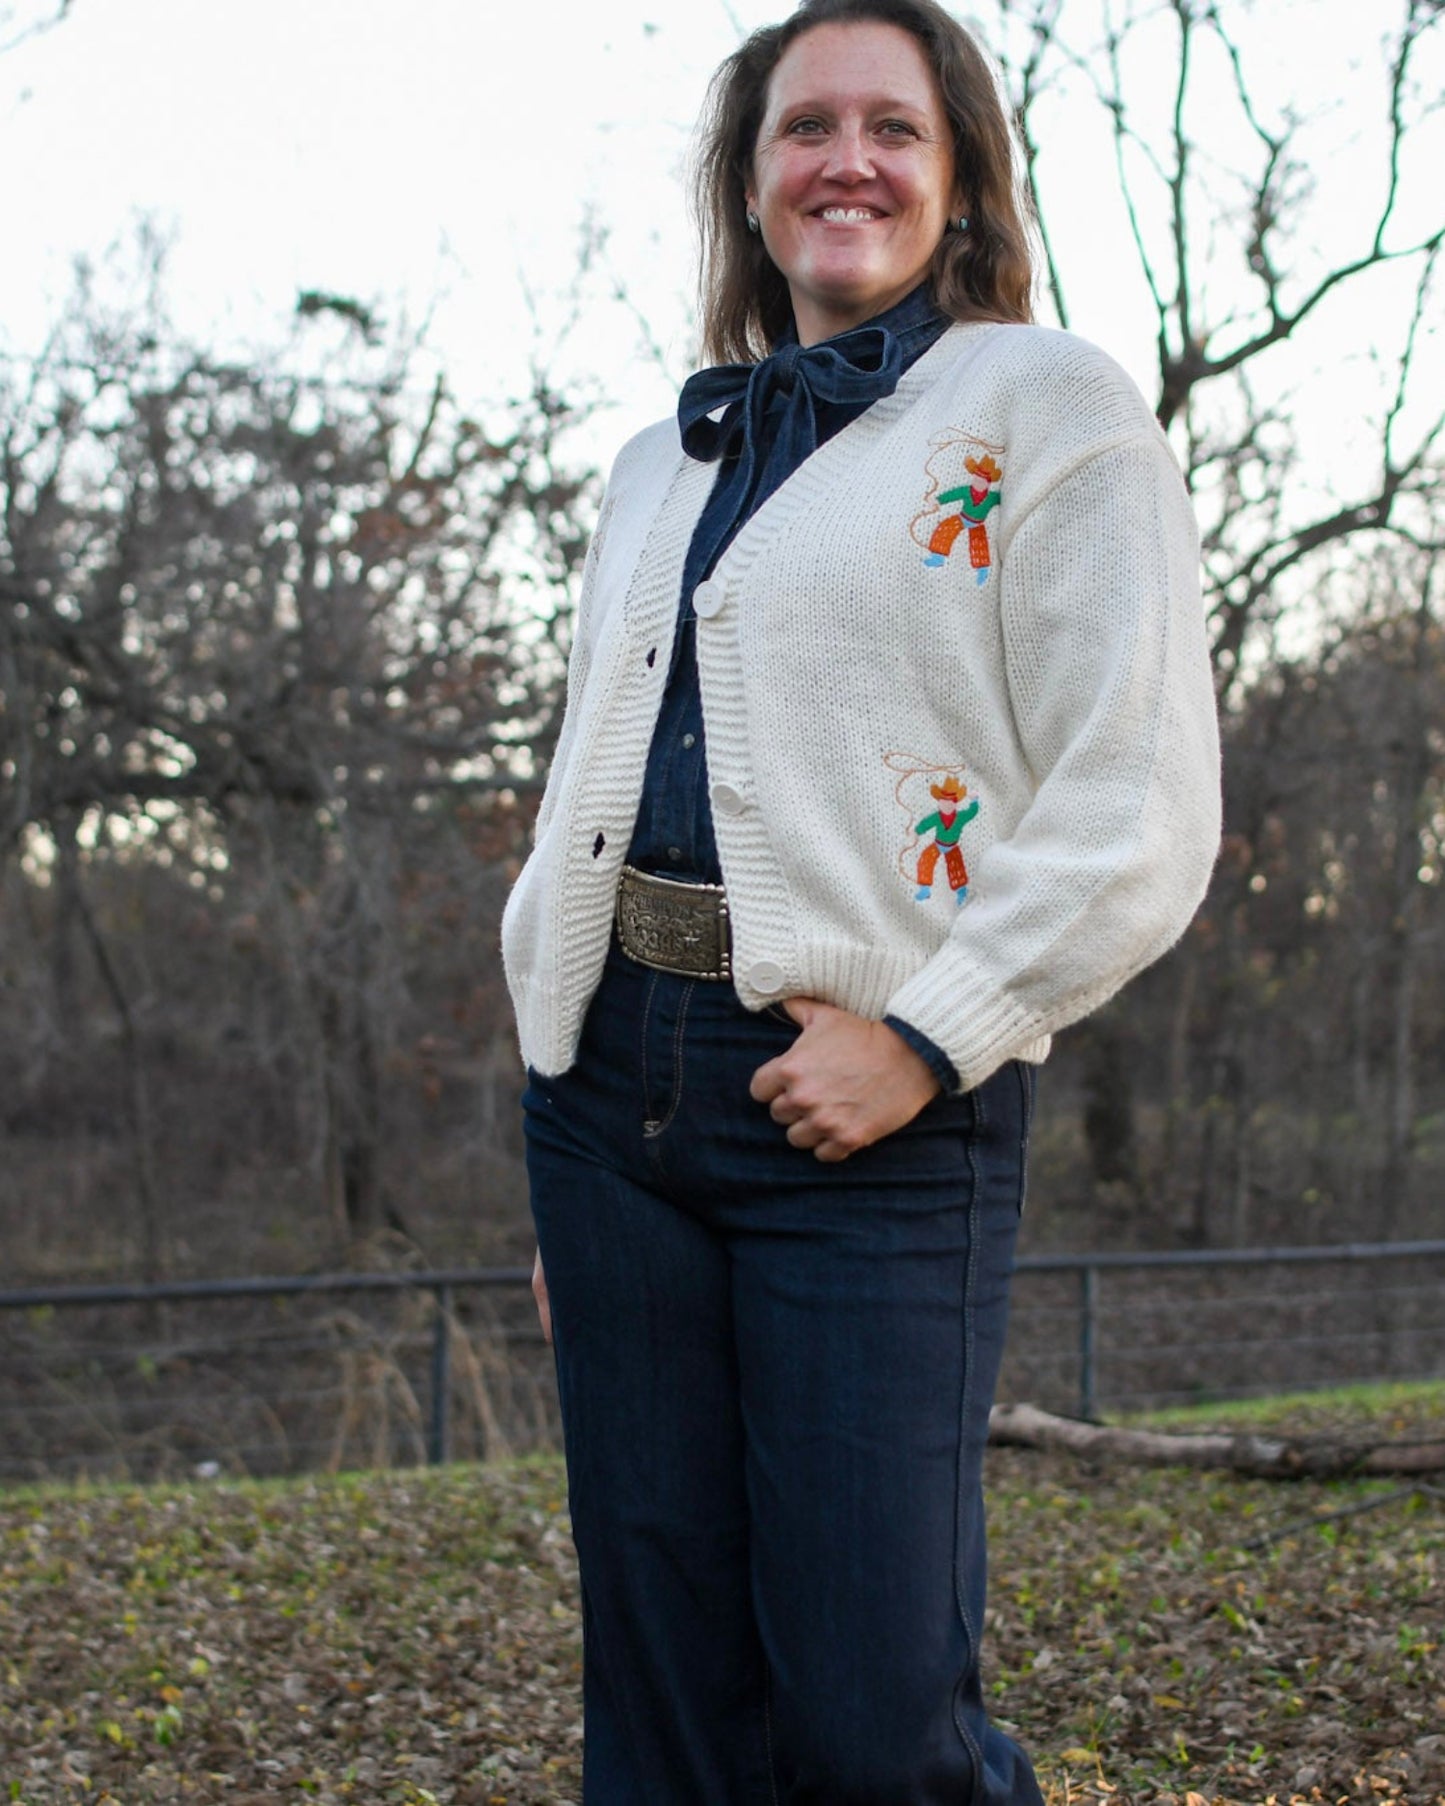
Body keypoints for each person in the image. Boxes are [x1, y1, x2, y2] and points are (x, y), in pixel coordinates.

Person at [502, 0, 1221, 1798]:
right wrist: (565, 1086)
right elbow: (591, 777)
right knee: (659, 1671)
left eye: (893, 128)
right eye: (804, 128)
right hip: (609, 1111)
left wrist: (926, 1035)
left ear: (959, 177)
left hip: (869, 1114)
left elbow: (1135, 794)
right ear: (748, 189)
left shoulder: (1046, 409)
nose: (847, 160)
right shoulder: (657, 461)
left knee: (870, 1699)